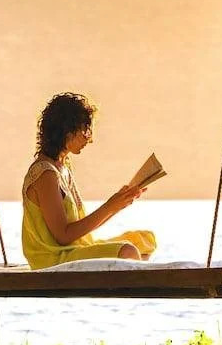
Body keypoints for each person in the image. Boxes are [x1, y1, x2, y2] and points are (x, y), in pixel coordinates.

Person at [22, 92, 157, 269]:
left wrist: (119, 203)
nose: (90, 139)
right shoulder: (45, 174)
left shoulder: (63, 166)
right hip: (54, 258)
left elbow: (81, 228)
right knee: (128, 251)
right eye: (85, 131)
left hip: (75, 249)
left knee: (145, 240)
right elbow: (63, 236)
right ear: (67, 131)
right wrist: (109, 206)